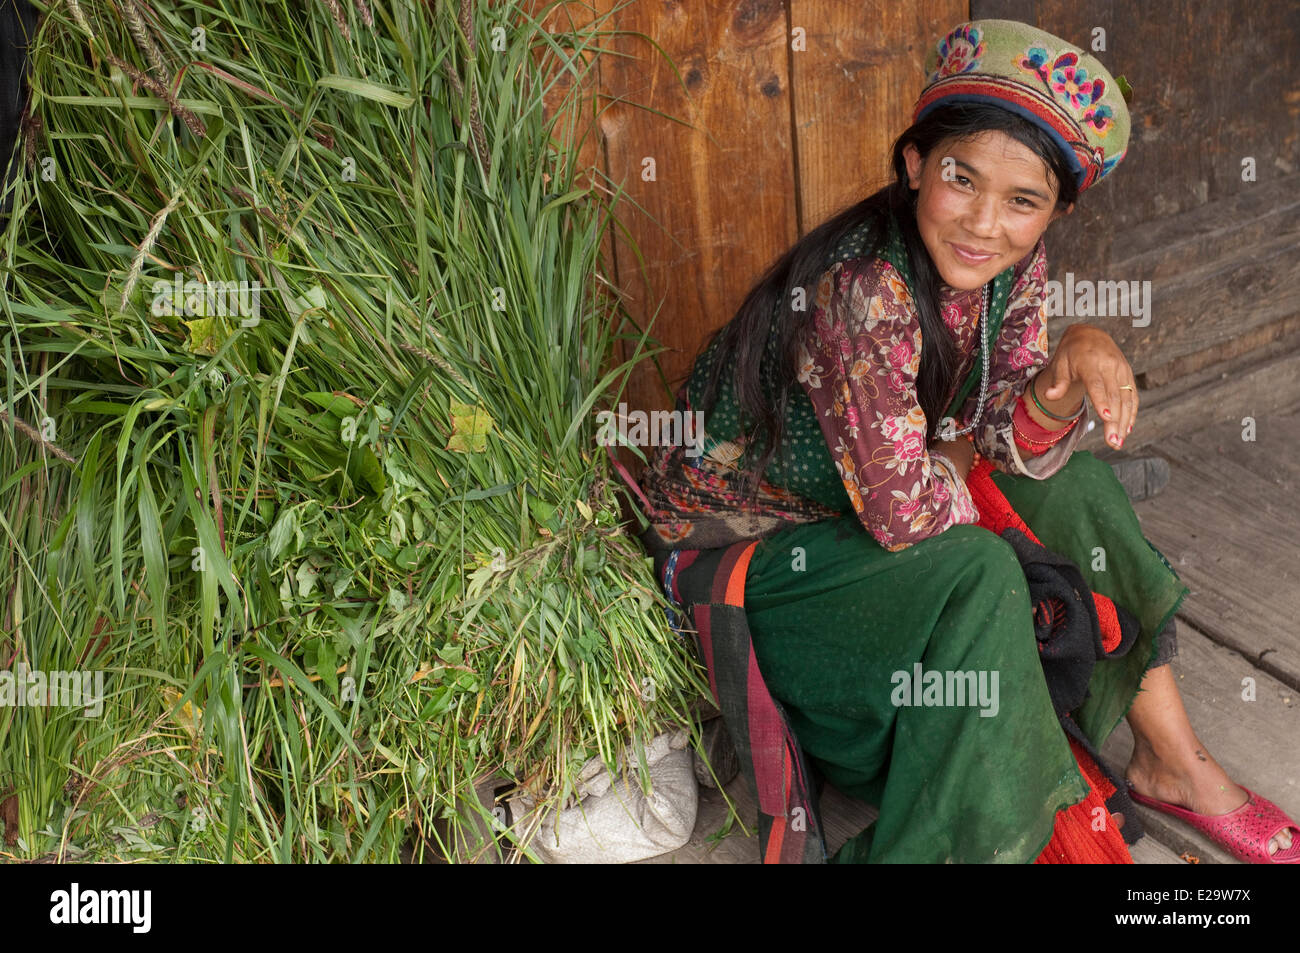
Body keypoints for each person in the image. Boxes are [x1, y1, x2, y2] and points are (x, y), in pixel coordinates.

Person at [635, 18, 1299, 863]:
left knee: (1080, 492)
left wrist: (1060, 378)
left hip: (863, 552)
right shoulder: (862, 290)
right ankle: (957, 828)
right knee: (982, 569)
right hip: (755, 585)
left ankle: (1176, 761)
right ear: (915, 164)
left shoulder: (1011, 266)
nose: (985, 222)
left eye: (1023, 201)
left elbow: (996, 434)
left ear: (1054, 209)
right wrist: (953, 458)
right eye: (961, 179)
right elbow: (907, 517)